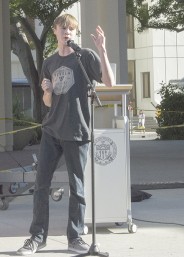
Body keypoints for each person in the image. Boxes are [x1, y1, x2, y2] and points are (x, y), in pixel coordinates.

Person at [17, 13, 115, 255]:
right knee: (41, 185)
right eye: (63, 28)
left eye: (71, 29)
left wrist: (102, 49)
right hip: (52, 131)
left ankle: (75, 237)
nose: (67, 32)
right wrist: (47, 91)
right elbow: (48, 102)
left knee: (77, 187)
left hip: (77, 131)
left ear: (74, 33)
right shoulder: (49, 63)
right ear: (55, 32)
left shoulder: (84, 57)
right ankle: (37, 237)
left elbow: (109, 83)